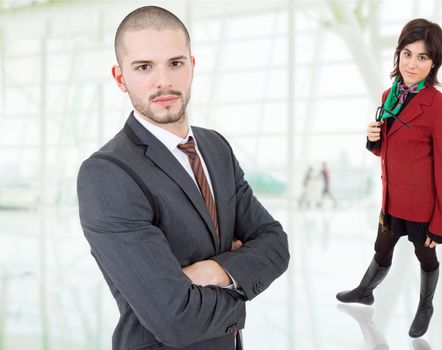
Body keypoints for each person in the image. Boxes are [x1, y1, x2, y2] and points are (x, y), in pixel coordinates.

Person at [77, 6, 290, 350]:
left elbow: (275, 244)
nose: (163, 81)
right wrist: (241, 276)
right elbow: (176, 319)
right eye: (144, 67)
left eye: (175, 63)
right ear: (120, 78)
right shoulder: (108, 173)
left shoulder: (215, 147)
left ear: (193, 67)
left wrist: (213, 272)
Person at [336, 18, 442, 338]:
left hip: (421, 205)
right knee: (382, 249)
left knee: (424, 255)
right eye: (406, 53)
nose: (411, 64)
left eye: (422, 57)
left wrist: (440, 224)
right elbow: (390, 148)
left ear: (434, 64)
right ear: (397, 54)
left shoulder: (440, 109)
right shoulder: (390, 94)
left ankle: (425, 305)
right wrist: (374, 140)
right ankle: (365, 291)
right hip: (392, 198)